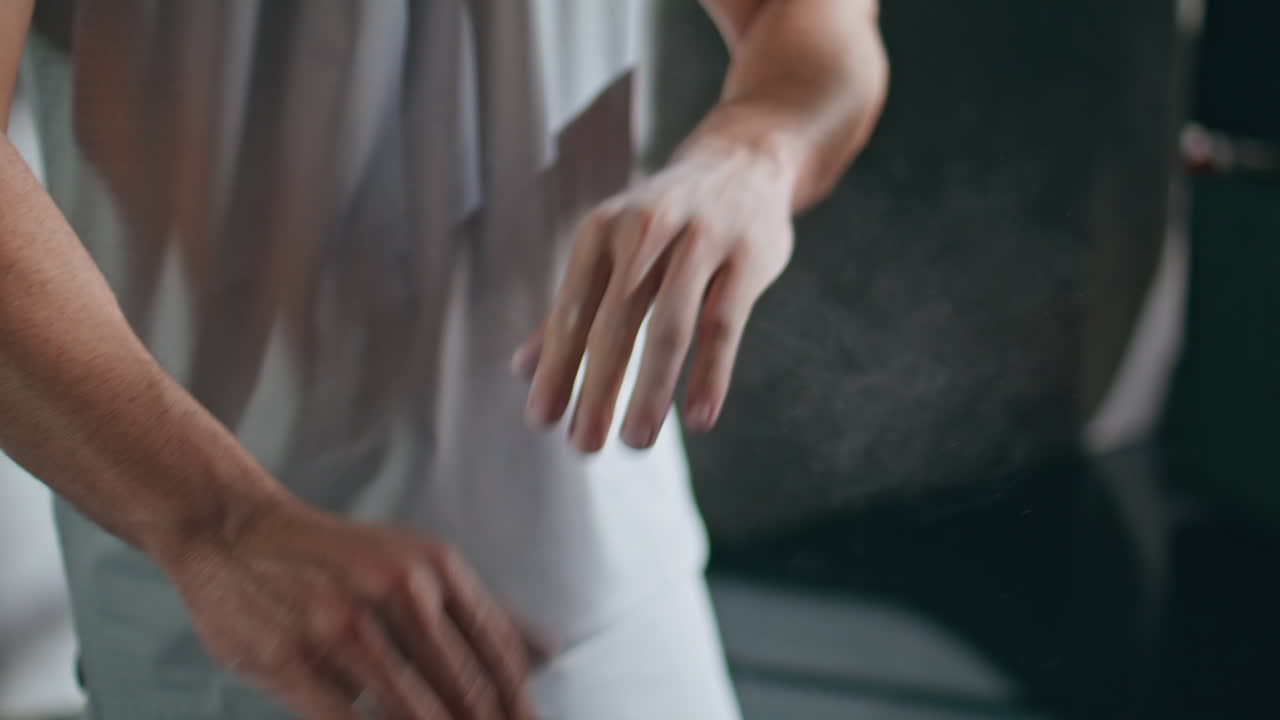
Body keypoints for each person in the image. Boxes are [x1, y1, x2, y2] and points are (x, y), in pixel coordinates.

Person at [0, 0, 887, 717]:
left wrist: (756, 150)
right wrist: (217, 526)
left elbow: (819, 27)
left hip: (616, 595)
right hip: (251, 638)